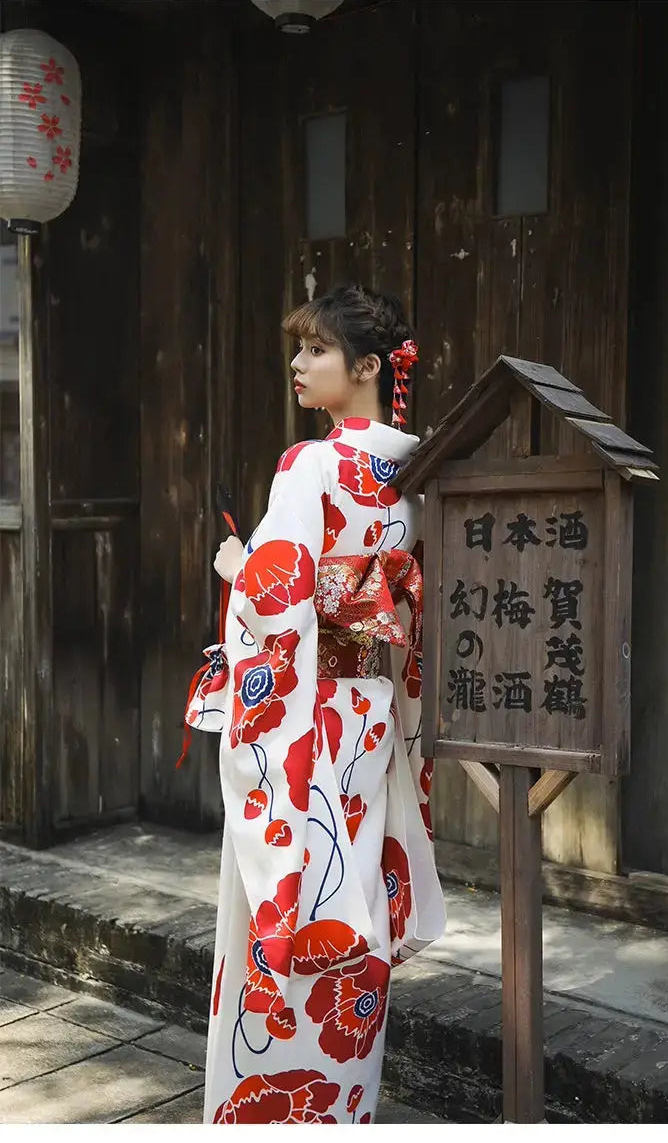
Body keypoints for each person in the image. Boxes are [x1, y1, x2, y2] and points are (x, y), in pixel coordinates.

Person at [186, 284, 446, 1125]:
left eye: (316, 351)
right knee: (352, 909)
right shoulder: (416, 469)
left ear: (366, 367)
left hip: (305, 713)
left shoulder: (313, 463)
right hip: (368, 715)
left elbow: (277, 594)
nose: (298, 365)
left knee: (284, 895)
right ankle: (342, 1101)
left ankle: (266, 1101)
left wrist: (235, 567)